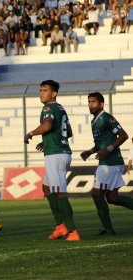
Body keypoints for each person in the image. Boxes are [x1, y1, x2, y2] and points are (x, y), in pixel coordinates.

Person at [24, 80, 81, 242]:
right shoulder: (61, 108)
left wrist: (31, 133)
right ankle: (60, 227)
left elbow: (47, 126)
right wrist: (47, 140)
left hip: (56, 155)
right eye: (40, 90)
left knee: (59, 192)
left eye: (45, 90)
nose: (41, 93)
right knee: (47, 188)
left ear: (54, 93)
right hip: (57, 151)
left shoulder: (49, 108)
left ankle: (73, 231)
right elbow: (68, 132)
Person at [81, 92, 133, 235]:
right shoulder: (94, 121)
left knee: (97, 194)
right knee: (112, 198)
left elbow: (124, 135)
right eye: (89, 102)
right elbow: (100, 144)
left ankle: (108, 229)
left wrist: (108, 150)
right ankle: (108, 228)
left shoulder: (106, 118)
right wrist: (90, 151)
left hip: (110, 163)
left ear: (101, 104)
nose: (90, 104)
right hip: (109, 162)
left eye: (93, 102)